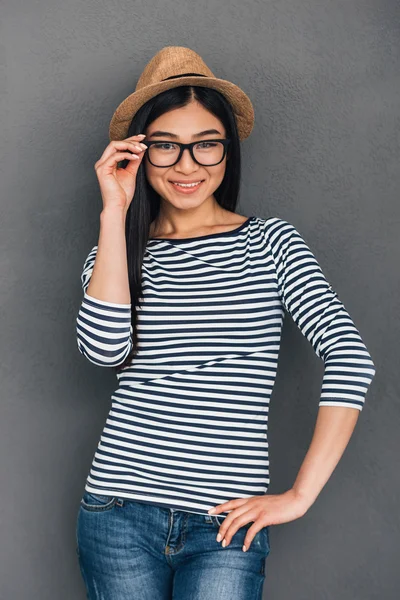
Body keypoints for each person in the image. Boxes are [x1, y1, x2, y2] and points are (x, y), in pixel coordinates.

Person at [74, 46, 376, 600]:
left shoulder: (271, 243)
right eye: (166, 146)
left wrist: (300, 495)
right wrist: (113, 212)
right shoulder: (116, 251)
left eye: (205, 144)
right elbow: (103, 351)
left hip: (225, 521)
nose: (187, 166)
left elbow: (350, 359)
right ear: (137, 153)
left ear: (227, 150)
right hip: (116, 511)